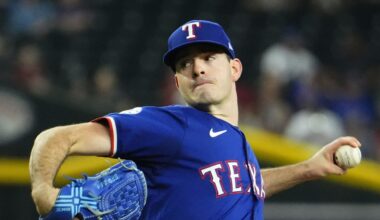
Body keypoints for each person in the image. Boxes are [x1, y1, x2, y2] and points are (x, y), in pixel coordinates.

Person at [29, 20, 361, 219]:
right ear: (177, 83)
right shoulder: (171, 126)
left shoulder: (238, 141)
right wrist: (43, 191)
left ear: (234, 69)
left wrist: (308, 169)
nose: (197, 68)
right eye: (184, 64)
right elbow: (56, 138)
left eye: (208, 57)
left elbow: (243, 186)